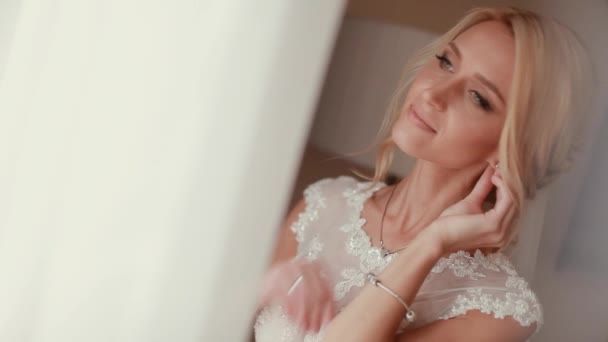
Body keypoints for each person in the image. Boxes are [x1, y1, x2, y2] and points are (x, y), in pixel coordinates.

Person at [253, 6, 591, 341]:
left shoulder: (499, 312)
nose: (433, 93)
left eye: (477, 97)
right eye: (446, 62)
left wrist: (431, 243)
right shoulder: (321, 204)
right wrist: (258, 289)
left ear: (513, 149)